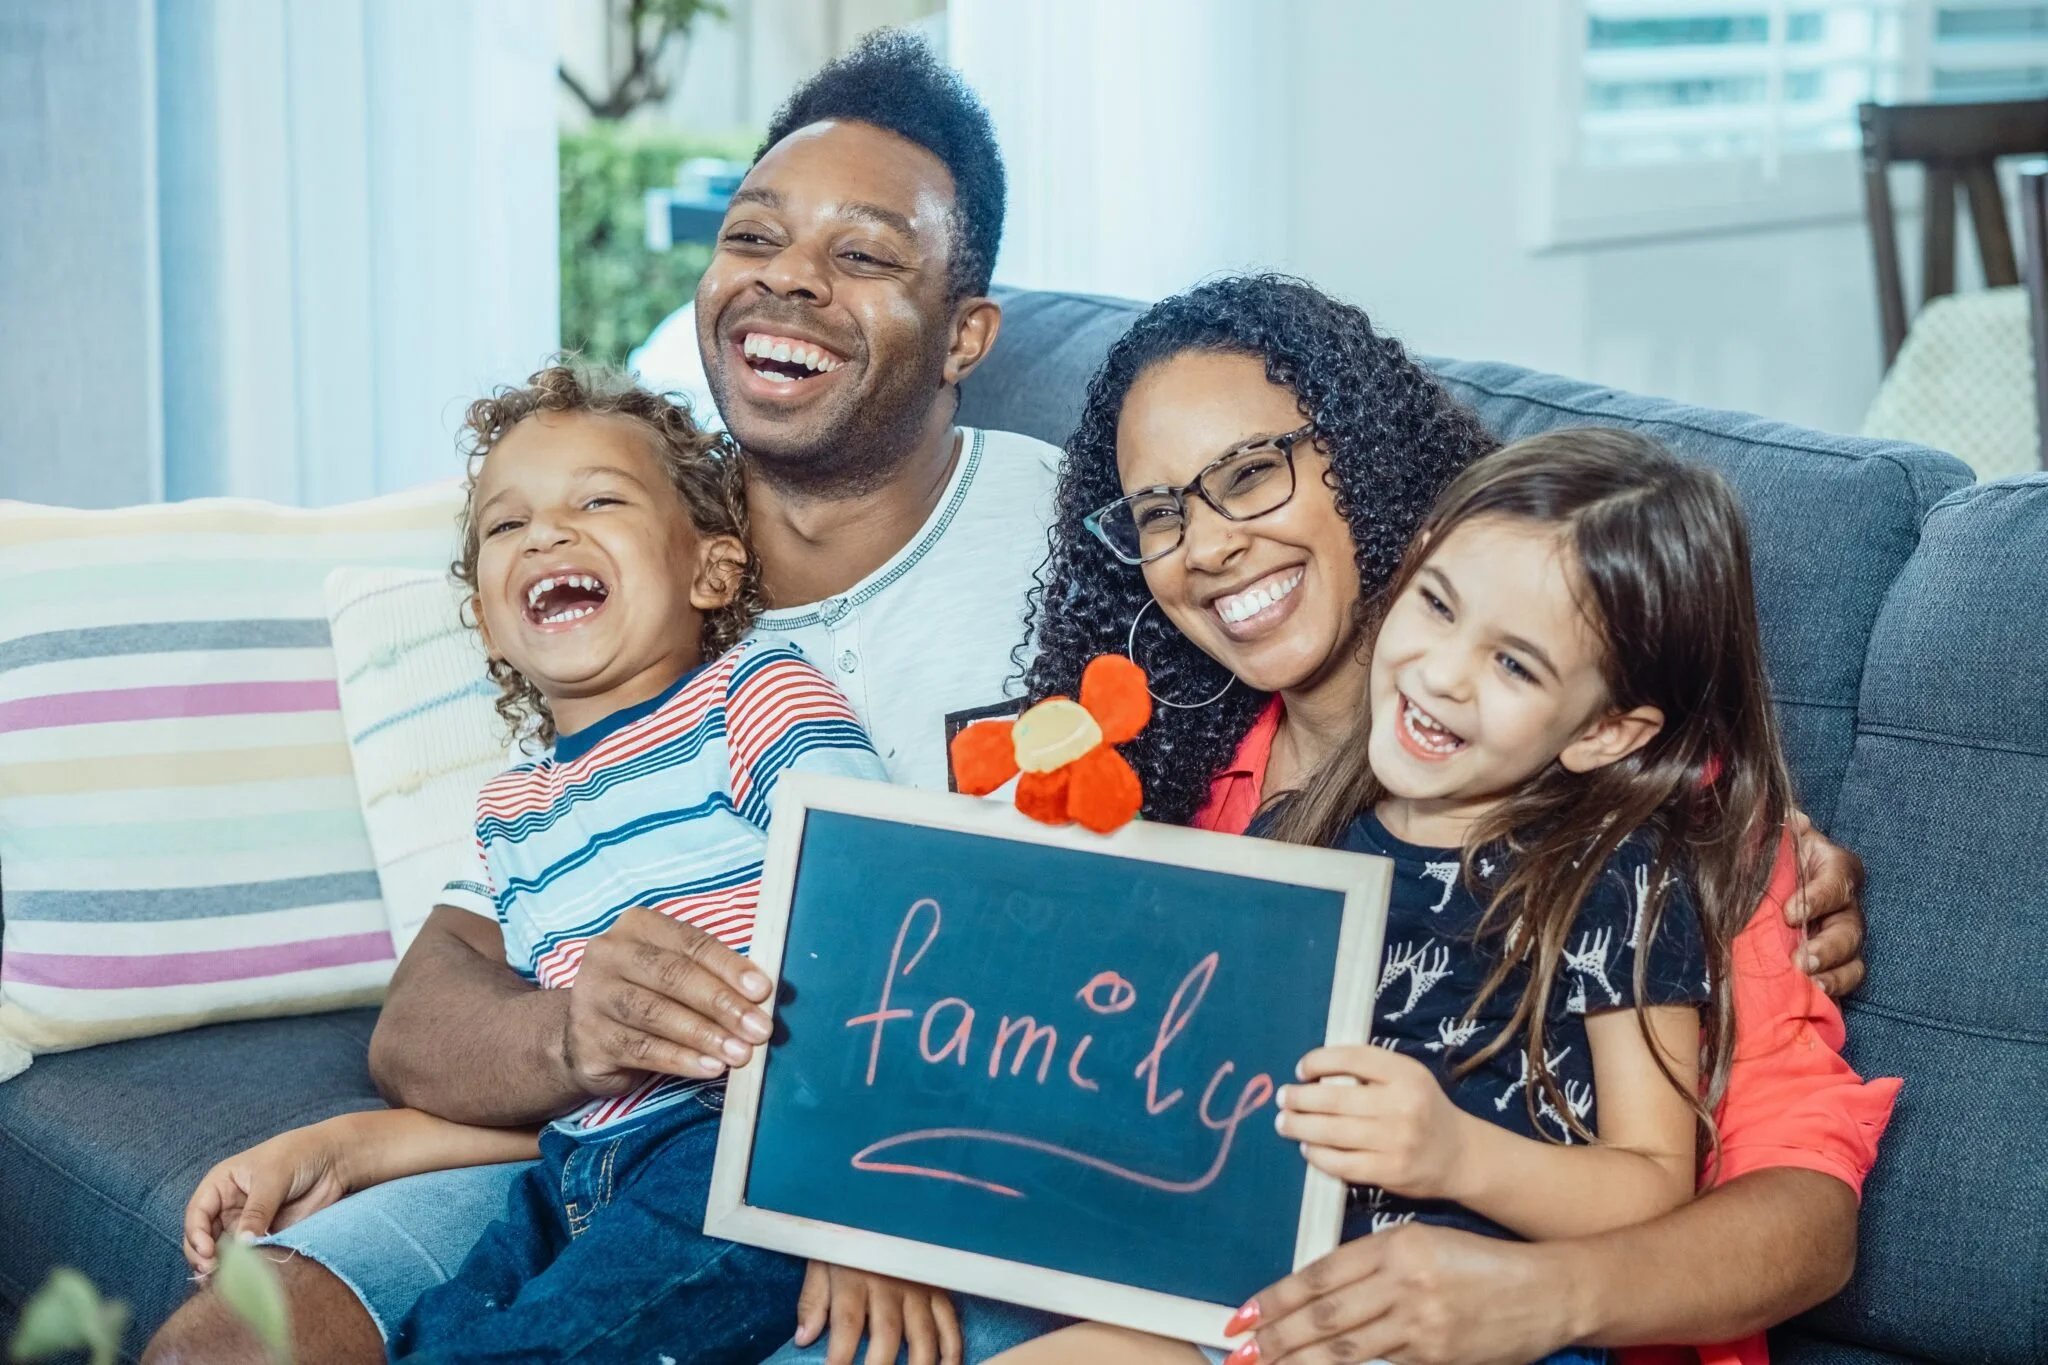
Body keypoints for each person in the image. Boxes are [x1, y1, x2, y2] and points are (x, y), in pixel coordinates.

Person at [147, 31, 1057, 1365]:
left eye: (862, 255)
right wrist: (554, 1042)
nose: (788, 281)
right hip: (582, 1156)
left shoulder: (1069, 532)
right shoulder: (626, 592)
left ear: (968, 331)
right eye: (754, 237)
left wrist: (873, 1206)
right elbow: (436, 1007)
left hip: (829, 1164)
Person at [986, 276, 1895, 1365]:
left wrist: (1532, 1292)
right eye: (1160, 512)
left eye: (1249, 473)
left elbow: (1795, 1219)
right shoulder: (1187, 794)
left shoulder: (1645, 834)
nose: (1209, 545)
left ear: (1365, 470)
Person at [185, 363, 890, 1360]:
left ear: (711, 572)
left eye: (597, 500)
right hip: (574, 1169)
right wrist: (347, 1146)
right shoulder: (511, 814)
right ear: (483, 615)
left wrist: (846, 1188)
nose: (546, 534)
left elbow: (879, 910)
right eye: (505, 526)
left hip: (741, 1147)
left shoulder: (755, 695)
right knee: (435, 1334)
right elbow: (565, 1077)